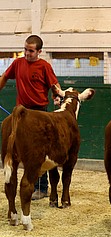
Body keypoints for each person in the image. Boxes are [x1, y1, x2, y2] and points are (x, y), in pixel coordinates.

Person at [0, 34, 62, 200]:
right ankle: (17, 183)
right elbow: (5, 77)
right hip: (21, 112)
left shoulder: (44, 67)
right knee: (19, 148)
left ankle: (42, 188)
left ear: (39, 51)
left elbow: (55, 86)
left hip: (40, 112)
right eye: (25, 49)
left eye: (31, 51)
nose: (27, 53)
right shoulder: (17, 63)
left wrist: (57, 97)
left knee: (39, 151)